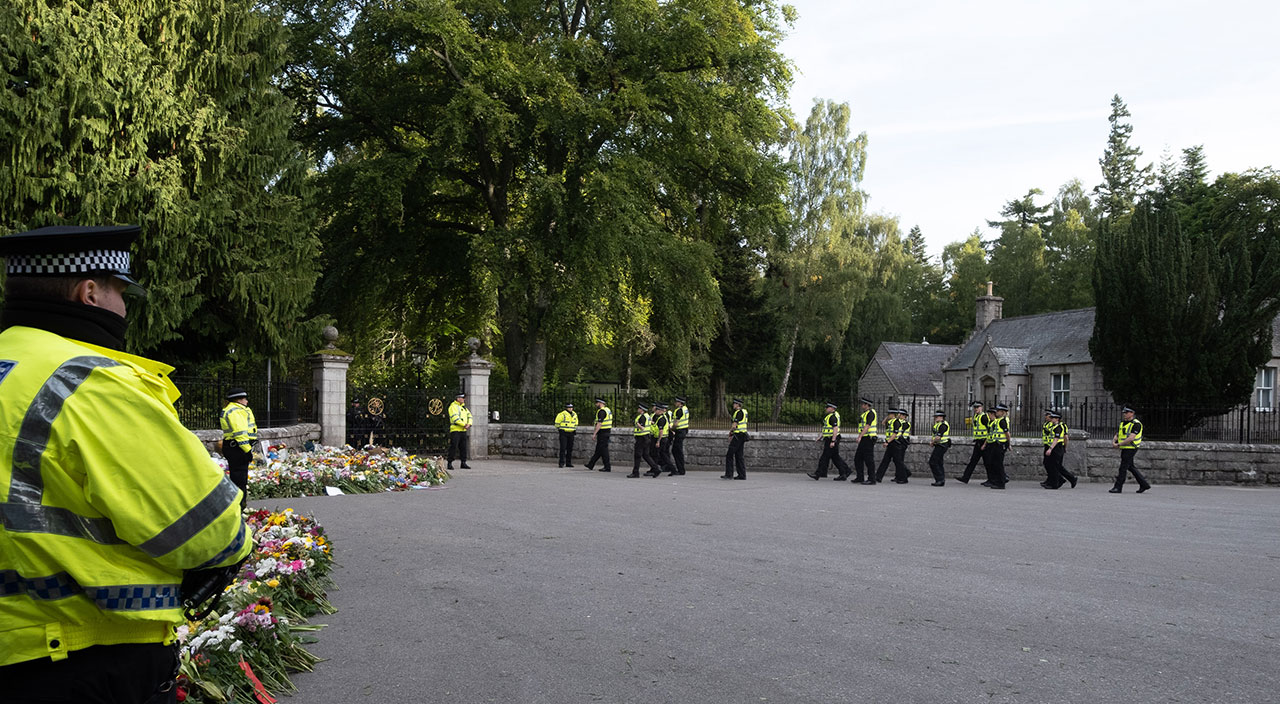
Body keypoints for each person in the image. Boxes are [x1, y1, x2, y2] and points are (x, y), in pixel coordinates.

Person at [0, 224, 252, 703]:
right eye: (120, 292)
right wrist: (234, 541)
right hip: (83, 656)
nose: (124, 307)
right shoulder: (88, 383)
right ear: (89, 291)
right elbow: (211, 532)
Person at [220, 388, 257, 510]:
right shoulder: (236, 411)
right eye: (245, 398)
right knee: (239, 480)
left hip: (234, 447)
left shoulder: (235, 409)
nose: (246, 401)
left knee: (238, 478)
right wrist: (247, 450)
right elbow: (240, 433)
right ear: (238, 399)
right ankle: (239, 507)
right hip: (237, 448)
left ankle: (239, 505)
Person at [1110, 406, 1152, 493]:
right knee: (1130, 467)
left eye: (1127, 412)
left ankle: (1118, 487)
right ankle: (1144, 484)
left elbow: (1131, 438)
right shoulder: (1123, 423)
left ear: (1132, 413)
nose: (1124, 414)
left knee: (1123, 468)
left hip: (1131, 447)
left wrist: (1118, 444)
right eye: (1124, 412)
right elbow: (1118, 434)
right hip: (1125, 447)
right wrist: (1114, 441)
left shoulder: (1136, 424)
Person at [809, 402, 852, 481]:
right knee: (835, 457)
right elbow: (826, 428)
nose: (826, 408)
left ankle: (818, 474)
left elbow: (835, 429)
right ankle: (845, 471)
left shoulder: (832, 417)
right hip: (829, 438)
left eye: (828, 407)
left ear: (832, 408)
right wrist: (820, 437)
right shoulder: (830, 416)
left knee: (825, 457)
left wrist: (833, 441)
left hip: (832, 438)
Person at [957, 401, 990, 484]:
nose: (976, 409)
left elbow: (990, 430)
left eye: (978, 407)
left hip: (984, 441)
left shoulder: (984, 417)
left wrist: (985, 443)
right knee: (973, 461)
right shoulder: (976, 416)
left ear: (981, 407)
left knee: (988, 462)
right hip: (978, 442)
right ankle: (965, 478)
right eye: (975, 407)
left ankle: (994, 479)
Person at [1043, 411, 1077, 489]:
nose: (1051, 419)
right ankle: (1063, 480)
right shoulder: (1053, 426)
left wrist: (1051, 449)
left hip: (1057, 447)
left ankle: (1058, 482)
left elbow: (1058, 439)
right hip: (1053, 446)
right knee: (1053, 466)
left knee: (1056, 466)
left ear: (1057, 419)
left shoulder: (1059, 427)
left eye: (1053, 418)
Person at [982, 404, 1010, 489]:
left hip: (1000, 445)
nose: (996, 412)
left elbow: (1007, 433)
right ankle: (997, 481)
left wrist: (1008, 444)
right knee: (995, 464)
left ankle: (1001, 483)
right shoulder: (998, 420)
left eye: (998, 411)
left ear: (1002, 412)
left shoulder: (1002, 421)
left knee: (998, 464)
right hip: (995, 444)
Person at [628, 402, 658, 478]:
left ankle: (635, 473)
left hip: (641, 438)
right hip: (646, 437)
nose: (638, 409)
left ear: (642, 410)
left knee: (637, 455)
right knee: (646, 455)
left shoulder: (642, 417)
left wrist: (636, 423)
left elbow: (642, 427)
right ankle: (656, 468)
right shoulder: (647, 416)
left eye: (639, 408)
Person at [852, 397, 878, 483]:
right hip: (865, 438)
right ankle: (860, 477)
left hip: (869, 438)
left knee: (869, 459)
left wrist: (860, 436)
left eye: (863, 404)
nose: (861, 405)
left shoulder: (870, 413)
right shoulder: (865, 413)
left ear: (867, 405)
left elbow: (867, 426)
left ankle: (872, 479)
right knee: (858, 458)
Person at [584, 397, 613, 472]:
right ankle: (591, 464)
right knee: (599, 450)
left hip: (603, 433)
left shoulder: (602, 411)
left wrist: (594, 433)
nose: (596, 404)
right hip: (606, 432)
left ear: (600, 403)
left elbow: (599, 423)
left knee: (603, 450)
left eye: (596, 403)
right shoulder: (608, 410)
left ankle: (607, 467)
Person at [447, 391, 472, 470]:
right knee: (453, 446)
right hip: (455, 429)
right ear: (458, 398)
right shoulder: (453, 406)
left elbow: (470, 416)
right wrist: (464, 424)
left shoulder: (464, 407)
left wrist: (469, 424)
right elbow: (455, 418)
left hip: (463, 430)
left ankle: (463, 462)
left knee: (463, 447)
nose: (464, 399)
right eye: (462, 398)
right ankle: (450, 463)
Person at [651, 403, 678, 477]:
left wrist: (658, 441)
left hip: (662, 439)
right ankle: (673, 469)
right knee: (663, 455)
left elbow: (661, 431)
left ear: (660, 410)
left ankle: (655, 470)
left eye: (656, 409)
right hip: (663, 438)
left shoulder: (662, 419)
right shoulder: (661, 417)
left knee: (657, 454)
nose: (655, 411)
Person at [724, 398, 748, 480]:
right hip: (742, 435)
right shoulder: (744, 412)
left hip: (738, 436)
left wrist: (730, 433)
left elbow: (734, 425)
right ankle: (742, 474)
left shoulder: (738, 413)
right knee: (739, 455)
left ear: (738, 405)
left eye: (734, 403)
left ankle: (729, 474)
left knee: (729, 454)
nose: (733, 405)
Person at [928, 410, 950, 486]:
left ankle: (939, 479)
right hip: (940, 445)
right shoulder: (938, 424)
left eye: (936, 417)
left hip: (942, 445)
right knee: (939, 462)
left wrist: (932, 442)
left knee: (933, 462)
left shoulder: (943, 425)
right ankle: (941, 479)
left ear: (941, 417)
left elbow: (938, 437)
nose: (935, 418)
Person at [554, 402, 578, 468]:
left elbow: (576, 423)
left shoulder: (574, 414)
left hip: (571, 433)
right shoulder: (562, 414)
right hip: (564, 433)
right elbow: (557, 423)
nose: (571, 409)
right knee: (563, 448)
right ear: (566, 408)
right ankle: (561, 463)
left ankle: (568, 463)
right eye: (569, 407)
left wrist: (574, 429)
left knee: (570, 449)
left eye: (571, 407)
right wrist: (560, 429)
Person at [671, 396, 690, 475]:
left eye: (676, 402)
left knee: (677, 451)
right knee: (677, 450)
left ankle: (680, 470)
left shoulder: (679, 411)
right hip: (684, 430)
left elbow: (676, 423)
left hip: (680, 431)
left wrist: (671, 428)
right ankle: (680, 469)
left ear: (679, 403)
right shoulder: (685, 409)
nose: (675, 403)